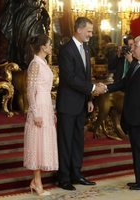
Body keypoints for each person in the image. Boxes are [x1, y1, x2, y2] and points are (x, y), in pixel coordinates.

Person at [56, 17, 106, 191]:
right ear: (79, 29)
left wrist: (90, 98)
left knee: (78, 141)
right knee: (65, 141)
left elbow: (85, 75)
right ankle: (63, 178)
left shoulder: (86, 48)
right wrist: (92, 88)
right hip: (67, 105)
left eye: (92, 32)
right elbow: (70, 79)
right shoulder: (66, 50)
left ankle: (76, 174)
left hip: (82, 103)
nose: (91, 35)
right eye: (89, 31)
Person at [23, 34, 58, 196]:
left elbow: (46, 89)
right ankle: (37, 182)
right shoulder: (35, 64)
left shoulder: (43, 63)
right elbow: (30, 91)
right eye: (50, 44)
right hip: (38, 107)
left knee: (44, 143)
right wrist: (35, 112)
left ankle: (35, 181)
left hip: (46, 105)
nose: (51, 47)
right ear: (43, 47)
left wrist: (52, 108)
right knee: (37, 144)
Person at [106, 35, 140, 190]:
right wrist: (105, 88)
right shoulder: (135, 65)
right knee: (136, 150)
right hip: (133, 116)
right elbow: (123, 83)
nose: (132, 49)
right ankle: (138, 180)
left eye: (135, 47)